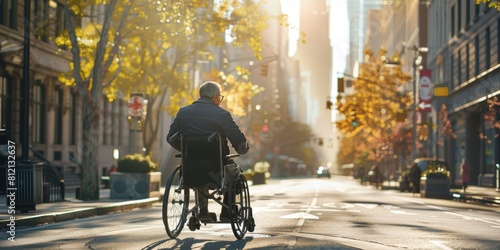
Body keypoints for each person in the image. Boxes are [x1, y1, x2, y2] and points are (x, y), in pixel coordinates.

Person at [167, 81, 249, 222]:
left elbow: (171, 138)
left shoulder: (183, 112)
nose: (220, 101)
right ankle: (227, 212)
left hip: (190, 166)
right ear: (215, 97)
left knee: (198, 170)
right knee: (235, 172)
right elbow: (238, 139)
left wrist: (186, 150)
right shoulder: (222, 115)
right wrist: (243, 148)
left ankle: (203, 212)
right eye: (220, 97)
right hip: (217, 168)